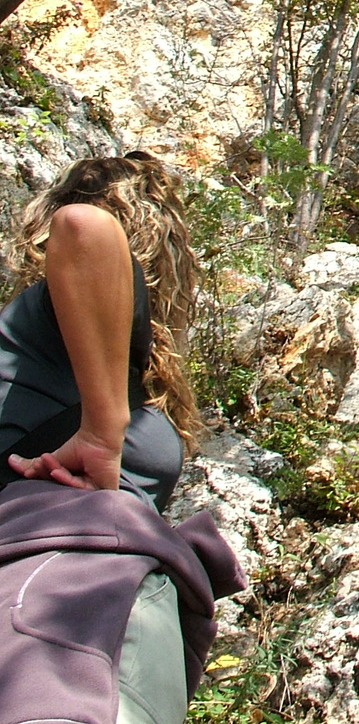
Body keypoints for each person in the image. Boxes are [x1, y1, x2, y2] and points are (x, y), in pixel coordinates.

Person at [0, 153, 238, 724]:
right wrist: (105, 435)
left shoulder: (71, 350)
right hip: (68, 598)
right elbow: (83, 228)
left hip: (70, 597)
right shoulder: (54, 320)